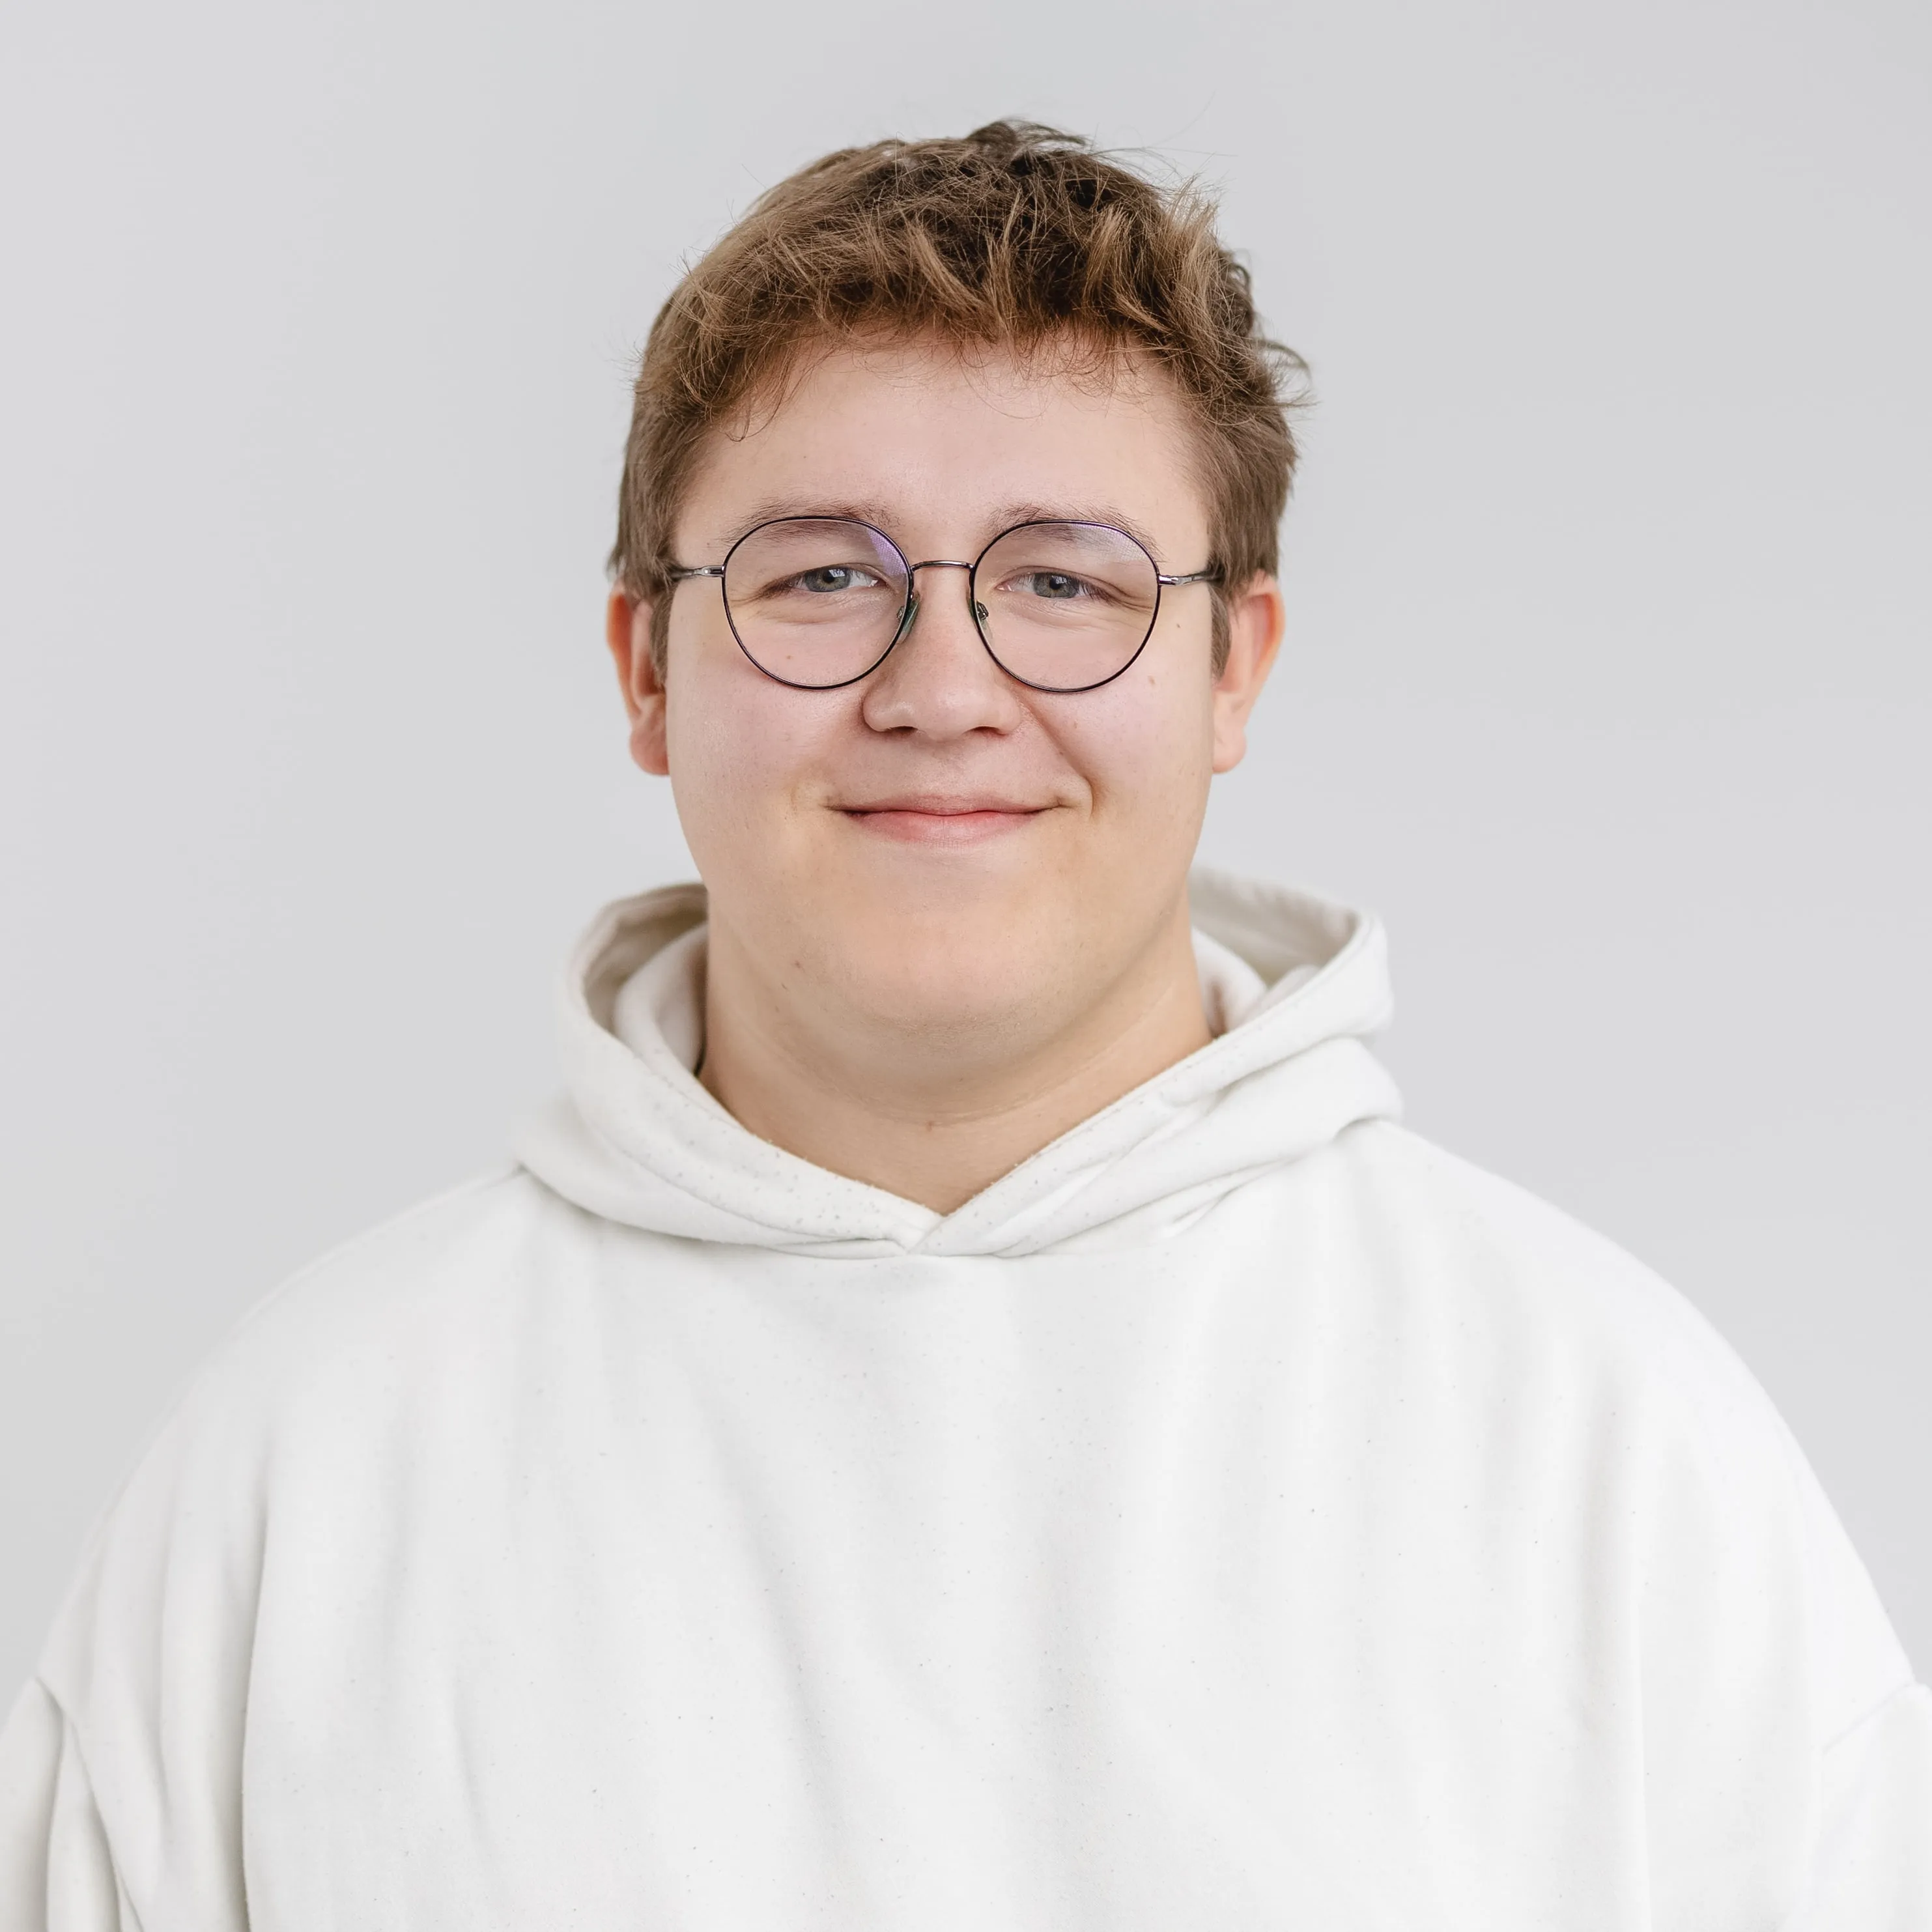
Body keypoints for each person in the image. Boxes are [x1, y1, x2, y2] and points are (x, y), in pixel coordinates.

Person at [1, 119, 1925, 1929]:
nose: (943, 686)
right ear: (646, 665)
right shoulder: (299, 1479)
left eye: (1062, 581)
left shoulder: (1611, 1454)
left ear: (1230, 664)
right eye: (822, 576)